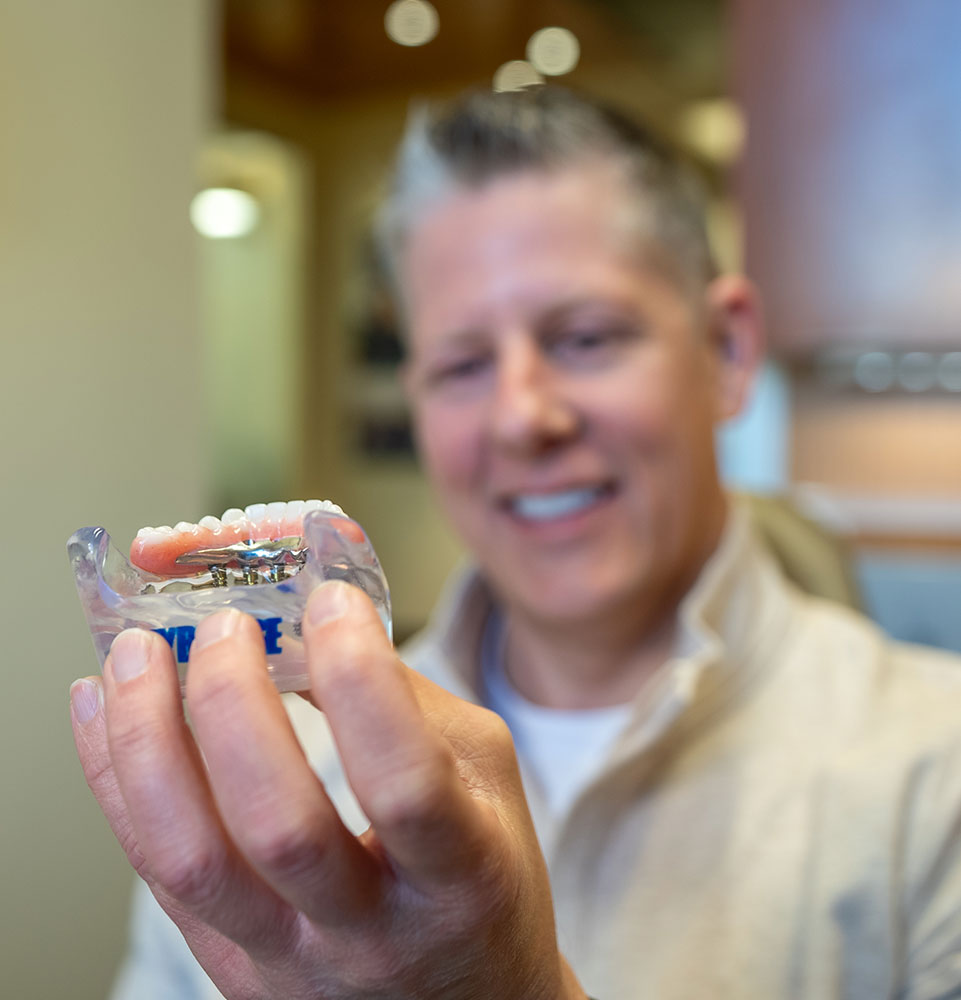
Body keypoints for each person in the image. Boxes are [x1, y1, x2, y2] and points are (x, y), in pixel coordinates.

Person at [71, 86, 961, 1000]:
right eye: (461, 365)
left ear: (726, 350)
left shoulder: (937, 783)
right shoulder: (268, 797)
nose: (521, 416)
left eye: (584, 339)